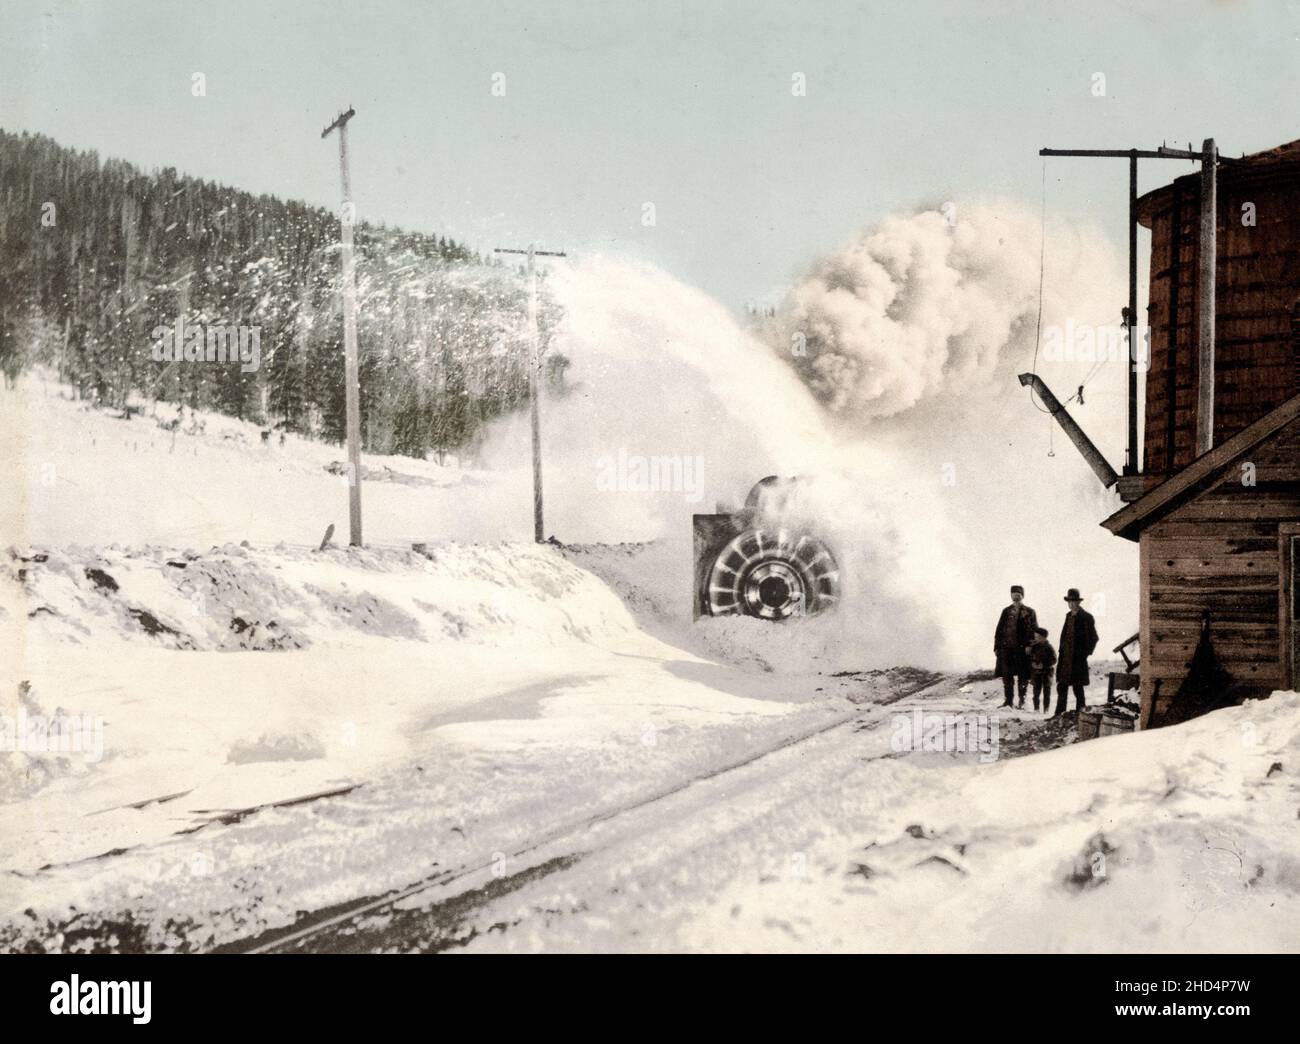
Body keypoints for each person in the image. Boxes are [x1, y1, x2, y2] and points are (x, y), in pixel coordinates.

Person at [1054, 588, 1099, 716]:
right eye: (1070, 601)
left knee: (1077, 687)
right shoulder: (1068, 616)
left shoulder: (1086, 617)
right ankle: (1059, 713)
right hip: (1065, 658)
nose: (1072, 604)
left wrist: (1085, 653)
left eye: (1074, 601)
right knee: (1062, 686)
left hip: (1077, 659)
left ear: (1078, 602)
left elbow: (1094, 638)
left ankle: (1081, 713)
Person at [993, 585, 1037, 709]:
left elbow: (1034, 630)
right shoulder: (1006, 611)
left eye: (1018, 594)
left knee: (1023, 676)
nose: (1016, 596)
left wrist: (1030, 645)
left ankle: (1022, 702)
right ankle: (1008, 702)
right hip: (1006, 649)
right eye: (1014, 594)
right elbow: (999, 630)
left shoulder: (1029, 612)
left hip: (1022, 649)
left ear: (1022, 596)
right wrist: (996, 647)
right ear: (1011, 595)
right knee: (1007, 676)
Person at [1028, 627, 1056, 713]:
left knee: (1046, 692)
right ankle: (1036, 709)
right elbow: (1030, 658)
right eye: (1035, 637)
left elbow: (1054, 660)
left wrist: (1043, 665)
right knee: (1036, 692)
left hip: (1047, 673)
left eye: (1037, 637)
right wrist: (1033, 664)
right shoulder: (1034, 647)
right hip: (1036, 673)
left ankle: (1046, 709)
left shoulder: (1049, 647)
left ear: (1043, 637)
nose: (1035, 638)